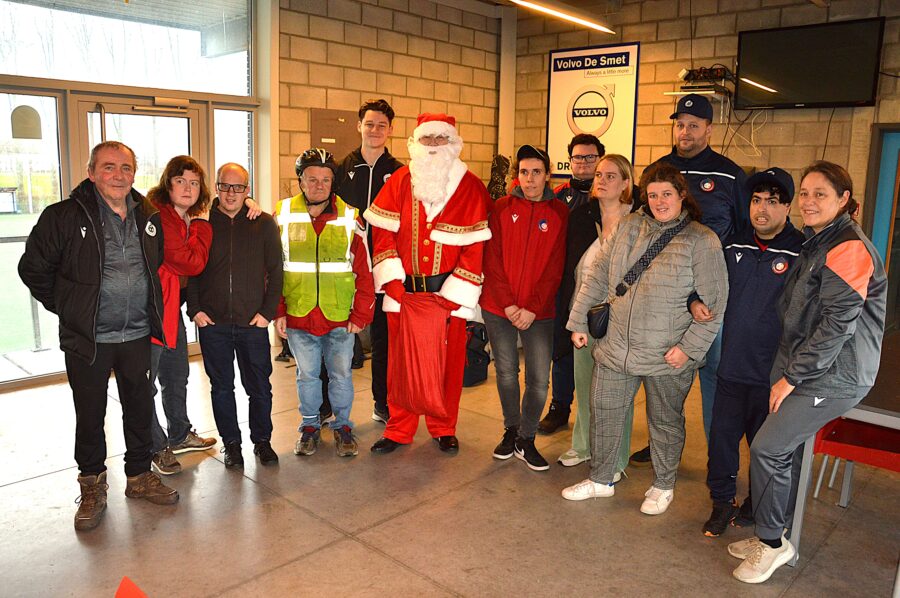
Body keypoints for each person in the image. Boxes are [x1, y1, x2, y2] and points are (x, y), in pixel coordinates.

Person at [727, 161, 886, 584]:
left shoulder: (848, 246)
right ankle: (771, 531)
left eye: (821, 194)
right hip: (807, 365)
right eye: (806, 193)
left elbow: (837, 325)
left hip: (835, 373)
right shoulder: (819, 240)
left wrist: (792, 376)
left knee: (768, 449)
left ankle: (774, 545)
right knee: (786, 452)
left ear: (844, 200)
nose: (809, 201)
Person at [18, 141, 179, 531]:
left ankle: (139, 476)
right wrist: (71, 306)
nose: (119, 175)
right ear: (91, 172)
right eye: (109, 167)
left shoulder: (148, 216)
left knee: (139, 407)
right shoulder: (64, 216)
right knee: (90, 415)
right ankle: (92, 485)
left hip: (137, 334)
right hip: (89, 338)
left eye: (126, 167)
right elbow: (32, 268)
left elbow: (152, 267)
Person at [561, 162, 727, 516]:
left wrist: (689, 350)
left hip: (668, 353)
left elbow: (714, 303)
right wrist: (578, 322)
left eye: (667, 194)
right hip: (617, 345)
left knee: (664, 422)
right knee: (603, 412)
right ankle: (601, 479)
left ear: (682, 195)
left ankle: (664, 484)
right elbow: (597, 275)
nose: (659, 201)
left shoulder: (702, 240)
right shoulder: (628, 226)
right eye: (652, 195)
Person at [628, 93, 749, 467]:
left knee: (712, 375)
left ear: (709, 129)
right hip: (665, 298)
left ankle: (717, 454)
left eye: (694, 126)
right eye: (680, 124)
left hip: (710, 299)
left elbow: (744, 234)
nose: (685, 132)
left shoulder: (730, 174)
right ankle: (662, 443)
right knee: (663, 376)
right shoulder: (658, 169)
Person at [364, 113, 492, 455]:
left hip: (448, 295)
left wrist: (455, 292)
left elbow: (476, 245)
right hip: (402, 294)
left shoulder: (471, 186)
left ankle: (443, 426)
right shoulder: (400, 181)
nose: (433, 146)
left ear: (453, 143)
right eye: (427, 139)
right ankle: (399, 428)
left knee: (448, 368)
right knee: (399, 366)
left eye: (440, 139)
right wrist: (390, 279)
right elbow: (382, 232)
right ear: (415, 143)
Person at [698, 167, 804, 537]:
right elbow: (706, 284)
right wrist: (697, 301)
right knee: (722, 444)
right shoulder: (733, 245)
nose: (762, 209)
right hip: (730, 370)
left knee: (764, 450)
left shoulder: (800, 251)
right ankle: (722, 502)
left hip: (772, 378)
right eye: (757, 200)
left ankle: (757, 503)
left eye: (772, 202)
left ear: (787, 206)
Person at [274, 149, 375, 458]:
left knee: (341, 376)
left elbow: (364, 270)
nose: (319, 185)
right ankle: (309, 428)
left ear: (334, 183)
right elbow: (273, 268)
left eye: (325, 179)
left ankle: (343, 427)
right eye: (312, 179)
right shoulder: (283, 214)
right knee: (306, 376)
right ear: (301, 181)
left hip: (339, 316)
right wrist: (278, 311)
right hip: (299, 313)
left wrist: (361, 314)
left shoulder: (350, 217)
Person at [187, 163, 283, 468]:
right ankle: (231, 444)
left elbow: (277, 270)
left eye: (238, 187)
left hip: (252, 323)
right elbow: (193, 271)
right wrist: (195, 308)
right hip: (213, 324)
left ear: (247, 190)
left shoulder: (263, 223)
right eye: (225, 186)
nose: (231, 193)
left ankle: (262, 441)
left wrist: (267, 313)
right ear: (216, 187)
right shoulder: (202, 223)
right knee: (222, 387)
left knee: (259, 387)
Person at [481, 145, 567, 471]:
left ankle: (526, 438)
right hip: (499, 307)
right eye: (524, 172)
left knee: (538, 381)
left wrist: (531, 307)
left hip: (539, 312)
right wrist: (508, 304)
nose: (530, 179)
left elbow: (555, 268)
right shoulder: (501, 208)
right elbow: (493, 260)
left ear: (547, 175)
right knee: (505, 373)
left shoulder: (559, 213)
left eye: (536, 172)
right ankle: (511, 429)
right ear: (517, 175)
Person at [557, 154, 640, 469]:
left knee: (617, 394)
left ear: (625, 184)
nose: (601, 181)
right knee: (585, 386)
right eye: (599, 175)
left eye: (610, 176)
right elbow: (569, 269)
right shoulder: (580, 218)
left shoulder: (638, 222)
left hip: (623, 322)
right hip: (584, 317)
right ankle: (582, 446)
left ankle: (615, 458)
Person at [144, 156, 217, 475]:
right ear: (167, 183)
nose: (188, 188)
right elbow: (192, 263)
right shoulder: (161, 217)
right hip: (149, 313)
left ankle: (178, 434)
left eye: (194, 182)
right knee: (144, 386)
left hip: (170, 309)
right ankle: (154, 446)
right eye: (180, 181)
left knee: (176, 377)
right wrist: (201, 224)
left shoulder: (180, 216)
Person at [336, 98, 404, 424]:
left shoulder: (401, 172)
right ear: (359, 125)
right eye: (369, 123)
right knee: (334, 338)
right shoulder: (340, 169)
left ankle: (383, 402)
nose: (375, 130)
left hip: (383, 266)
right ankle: (326, 407)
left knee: (383, 340)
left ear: (390, 130)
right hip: (344, 268)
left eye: (382, 125)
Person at [539, 133, 605, 435]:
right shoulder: (556, 196)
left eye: (590, 157)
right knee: (562, 348)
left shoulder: (609, 195)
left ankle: (594, 413)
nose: (584, 163)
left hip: (600, 288)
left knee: (598, 354)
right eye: (578, 157)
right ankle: (559, 407)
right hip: (563, 285)